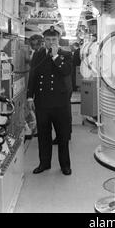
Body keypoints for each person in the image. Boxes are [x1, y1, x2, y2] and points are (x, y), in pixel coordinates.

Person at [27, 27, 73, 175]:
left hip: (60, 103)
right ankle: (44, 163)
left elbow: (66, 71)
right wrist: (29, 96)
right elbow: (33, 76)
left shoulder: (66, 54)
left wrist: (55, 57)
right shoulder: (38, 54)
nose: (51, 42)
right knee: (43, 136)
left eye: (53, 39)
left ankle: (65, 165)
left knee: (62, 136)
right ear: (44, 40)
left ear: (58, 40)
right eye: (48, 39)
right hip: (42, 102)